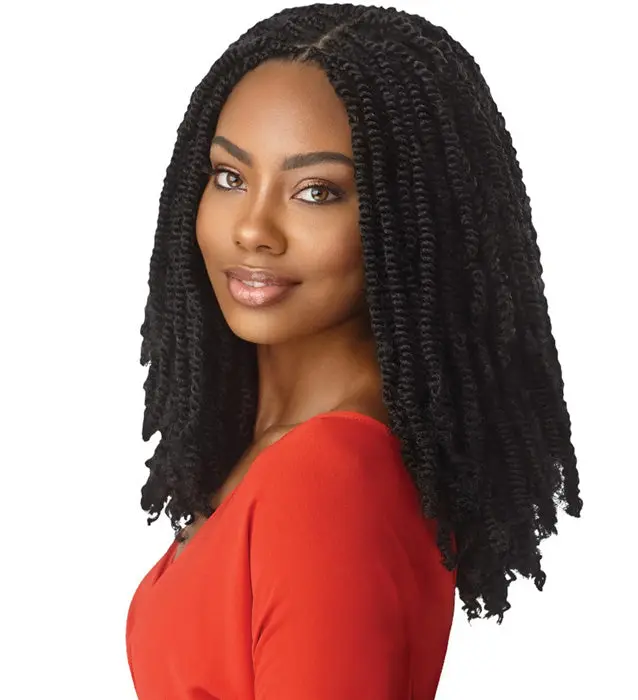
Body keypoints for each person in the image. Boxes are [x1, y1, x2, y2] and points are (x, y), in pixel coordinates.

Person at [126, 3, 583, 698]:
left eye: (317, 191)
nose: (252, 228)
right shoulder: (283, 452)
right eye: (230, 177)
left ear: (408, 222)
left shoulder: (329, 480)